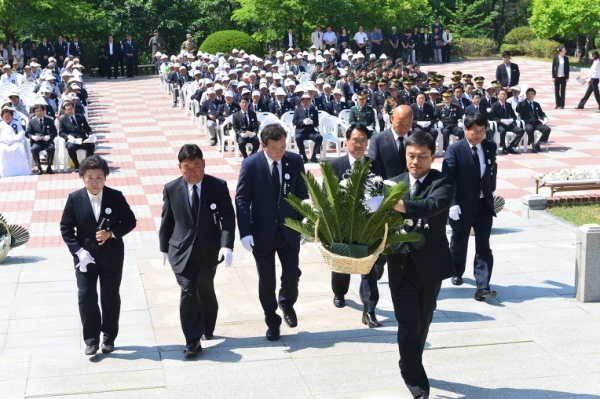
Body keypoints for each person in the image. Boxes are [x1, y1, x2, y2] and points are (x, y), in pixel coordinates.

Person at [387, 131, 456, 399]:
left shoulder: (444, 182)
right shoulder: (392, 184)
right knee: (409, 325)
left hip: (430, 266)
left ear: (432, 156)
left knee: (423, 322)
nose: (415, 162)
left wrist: (396, 203)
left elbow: (431, 205)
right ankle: (416, 380)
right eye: (411, 156)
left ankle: (409, 361)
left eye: (422, 157)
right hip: (400, 265)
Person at [235, 124, 309, 341]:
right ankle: (272, 320)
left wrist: (304, 222)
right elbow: (241, 199)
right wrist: (245, 231)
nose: (280, 151)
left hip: (289, 231)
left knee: (290, 276)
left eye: (283, 146)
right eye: (275, 148)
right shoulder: (250, 165)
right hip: (262, 233)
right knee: (266, 281)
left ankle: (286, 303)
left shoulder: (294, 161)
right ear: (264, 146)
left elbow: (302, 194)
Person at [159, 144, 235, 355]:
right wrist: (163, 247)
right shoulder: (171, 188)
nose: (193, 172)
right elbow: (167, 219)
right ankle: (192, 340)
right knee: (188, 290)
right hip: (181, 251)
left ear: (204, 164)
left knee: (205, 290)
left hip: (208, 250)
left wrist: (226, 245)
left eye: (197, 166)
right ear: (179, 167)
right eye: (187, 167)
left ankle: (207, 326)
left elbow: (228, 217)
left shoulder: (217, 186)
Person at [60, 155, 137, 355]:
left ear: (105, 178)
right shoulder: (74, 199)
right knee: (86, 296)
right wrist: (78, 251)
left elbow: (130, 221)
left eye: (99, 178)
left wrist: (111, 233)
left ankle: (109, 337)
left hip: (111, 257)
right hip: (85, 259)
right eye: (90, 178)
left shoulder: (115, 197)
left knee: (110, 297)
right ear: (82, 178)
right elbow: (66, 228)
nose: (94, 182)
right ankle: (91, 339)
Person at [329, 123, 383, 327]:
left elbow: (382, 190)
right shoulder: (335, 166)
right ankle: (339, 293)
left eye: (363, 141)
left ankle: (369, 310)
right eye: (355, 140)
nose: (359, 145)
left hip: (368, 226)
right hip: (343, 226)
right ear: (347, 141)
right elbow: (327, 196)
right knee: (342, 264)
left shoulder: (375, 165)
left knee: (368, 267)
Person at [442, 112, 497, 301]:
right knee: (459, 242)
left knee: (484, 246)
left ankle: (483, 286)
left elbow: (491, 172)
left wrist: (491, 193)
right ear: (465, 129)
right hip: (462, 206)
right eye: (475, 131)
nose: (479, 135)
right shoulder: (455, 150)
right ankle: (456, 270)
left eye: (482, 131)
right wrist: (452, 203)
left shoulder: (489, 147)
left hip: (483, 206)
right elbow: (448, 179)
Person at [368, 104, 412, 179]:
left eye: (408, 124)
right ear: (392, 118)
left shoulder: (417, 138)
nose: (404, 128)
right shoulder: (378, 140)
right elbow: (372, 168)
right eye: (400, 123)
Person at [59, 102, 94, 171]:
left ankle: (86, 163)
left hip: (82, 138)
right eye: (68, 109)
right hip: (72, 140)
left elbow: (87, 128)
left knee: (91, 145)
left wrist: (90, 134)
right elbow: (61, 132)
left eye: (71, 109)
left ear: (74, 108)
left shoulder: (81, 116)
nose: (70, 111)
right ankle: (76, 164)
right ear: (64, 111)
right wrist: (68, 136)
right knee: (70, 147)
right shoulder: (62, 119)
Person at [25, 103, 57, 175]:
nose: (38, 112)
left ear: (44, 111)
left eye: (40, 110)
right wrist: (33, 137)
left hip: (47, 141)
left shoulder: (50, 120)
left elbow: (54, 132)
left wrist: (49, 136)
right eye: (36, 111)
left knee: (51, 148)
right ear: (34, 112)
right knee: (34, 149)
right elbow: (27, 133)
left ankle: (49, 167)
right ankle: (39, 168)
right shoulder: (32, 122)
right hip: (37, 142)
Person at [490, 88, 524, 154]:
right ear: (498, 96)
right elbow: (492, 117)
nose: (503, 96)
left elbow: (513, 116)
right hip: (500, 124)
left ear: (507, 96)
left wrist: (511, 120)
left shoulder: (508, 105)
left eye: (505, 94)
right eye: (501, 94)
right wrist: (500, 120)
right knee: (503, 131)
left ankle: (512, 146)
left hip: (509, 124)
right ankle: (503, 146)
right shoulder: (494, 105)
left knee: (521, 131)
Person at [517, 88, 551, 152]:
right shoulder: (522, 103)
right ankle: (532, 144)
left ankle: (538, 143)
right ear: (526, 95)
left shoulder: (536, 104)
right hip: (527, 122)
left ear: (534, 95)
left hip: (536, 122)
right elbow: (518, 110)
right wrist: (519, 102)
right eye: (528, 94)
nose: (530, 95)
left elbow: (541, 113)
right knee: (529, 129)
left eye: (532, 94)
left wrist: (545, 118)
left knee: (547, 129)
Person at [0, 106, 31, 178]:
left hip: (15, 141)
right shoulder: (1, 124)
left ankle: (20, 170)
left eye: (8, 116)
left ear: (11, 116)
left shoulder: (16, 123)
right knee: (3, 151)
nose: (7, 117)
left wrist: (14, 140)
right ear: (2, 117)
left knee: (17, 150)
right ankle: (5, 172)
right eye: (5, 116)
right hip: (3, 142)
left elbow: (21, 132)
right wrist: (3, 140)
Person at [292, 93, 322, 163]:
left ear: (310, 102)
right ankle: (303, 156)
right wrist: (303, 122)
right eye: (304, 101)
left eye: (307, 101)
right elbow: (294, 122)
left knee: (319, 137)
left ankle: (314, 155)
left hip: (310, 131)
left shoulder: (314, 110)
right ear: (301, 102)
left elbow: (316, 123)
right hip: (301, 131)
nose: (306, 103)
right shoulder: (297, 111)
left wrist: (312, 122)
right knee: (298, 138)